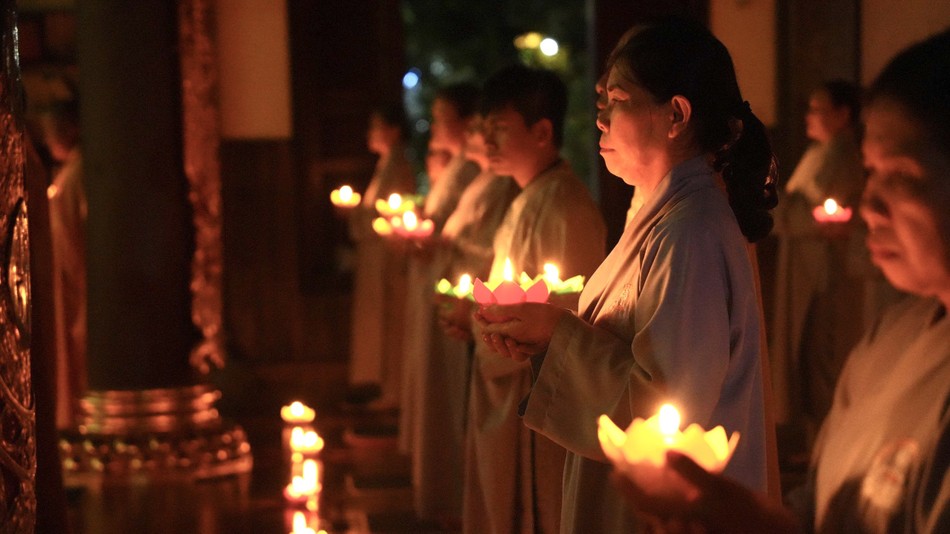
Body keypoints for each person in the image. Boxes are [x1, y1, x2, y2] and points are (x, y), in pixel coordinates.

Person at [613, 28, 950, 534]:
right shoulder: (889, 341)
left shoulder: (694, 226)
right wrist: (735, 515)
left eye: (901, 174)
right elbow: (819, 511)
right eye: (870, 171)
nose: (872, 204)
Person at [477, 17, 778, 532]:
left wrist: (556, 332)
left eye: (616, 99)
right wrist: (548, 333)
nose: (601, 119)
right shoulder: (662, 216)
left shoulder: (690, 231)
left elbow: (667, 407)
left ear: (676, 114)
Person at [460, 64, 606, 534]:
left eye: (499, 130)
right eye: (483, 130)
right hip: (506, 376)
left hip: (537, 395)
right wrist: (477, 320)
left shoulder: (566, 205)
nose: (487, 144)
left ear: (543, 131)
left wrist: (506, 329)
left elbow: (570, 314)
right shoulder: (525, 196)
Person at [400, 109, 520, 527]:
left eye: (490, 128)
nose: (480, 138)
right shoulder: (485, 180)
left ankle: (453, 503)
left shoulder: (507, 186)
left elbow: (488, 250)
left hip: (483, 309)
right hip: (459, 296)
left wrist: (444, 242)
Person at [770, 79, 877, 434]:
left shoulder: (843, 156)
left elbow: (821, 213)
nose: (808, 116)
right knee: (808, 355)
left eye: (819, 109)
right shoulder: (820, 153)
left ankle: (826, 440)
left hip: (825, 272)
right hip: (806, 266)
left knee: (823, 358)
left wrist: (780, 209)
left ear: (844, 115)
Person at [347, 103, 416, 399]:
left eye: (376, 126)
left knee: (391, 322)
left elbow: (395, 215)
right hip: (376, 255)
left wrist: (365, 218)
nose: (370, 134)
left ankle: (392, 393)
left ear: (394, 131)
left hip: (388, 256)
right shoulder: (385, 165)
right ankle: (382, 390)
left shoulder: (398, 167)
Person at [40, 99, 87, 430]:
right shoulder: (71, 174)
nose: (47, 139)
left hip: (78, 285)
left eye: (51, 131)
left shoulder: (80, 175)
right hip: (63, 282)